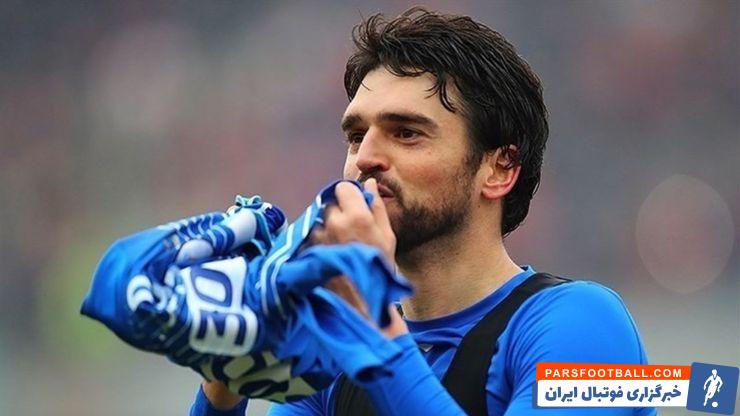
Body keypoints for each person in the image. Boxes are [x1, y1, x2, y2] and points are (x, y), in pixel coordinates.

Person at [190, 7, 654, 416]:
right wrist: (225, 377)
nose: (364, 158)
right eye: (356, 136)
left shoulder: (587, 325)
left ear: (499, 168)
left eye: (406, 133)